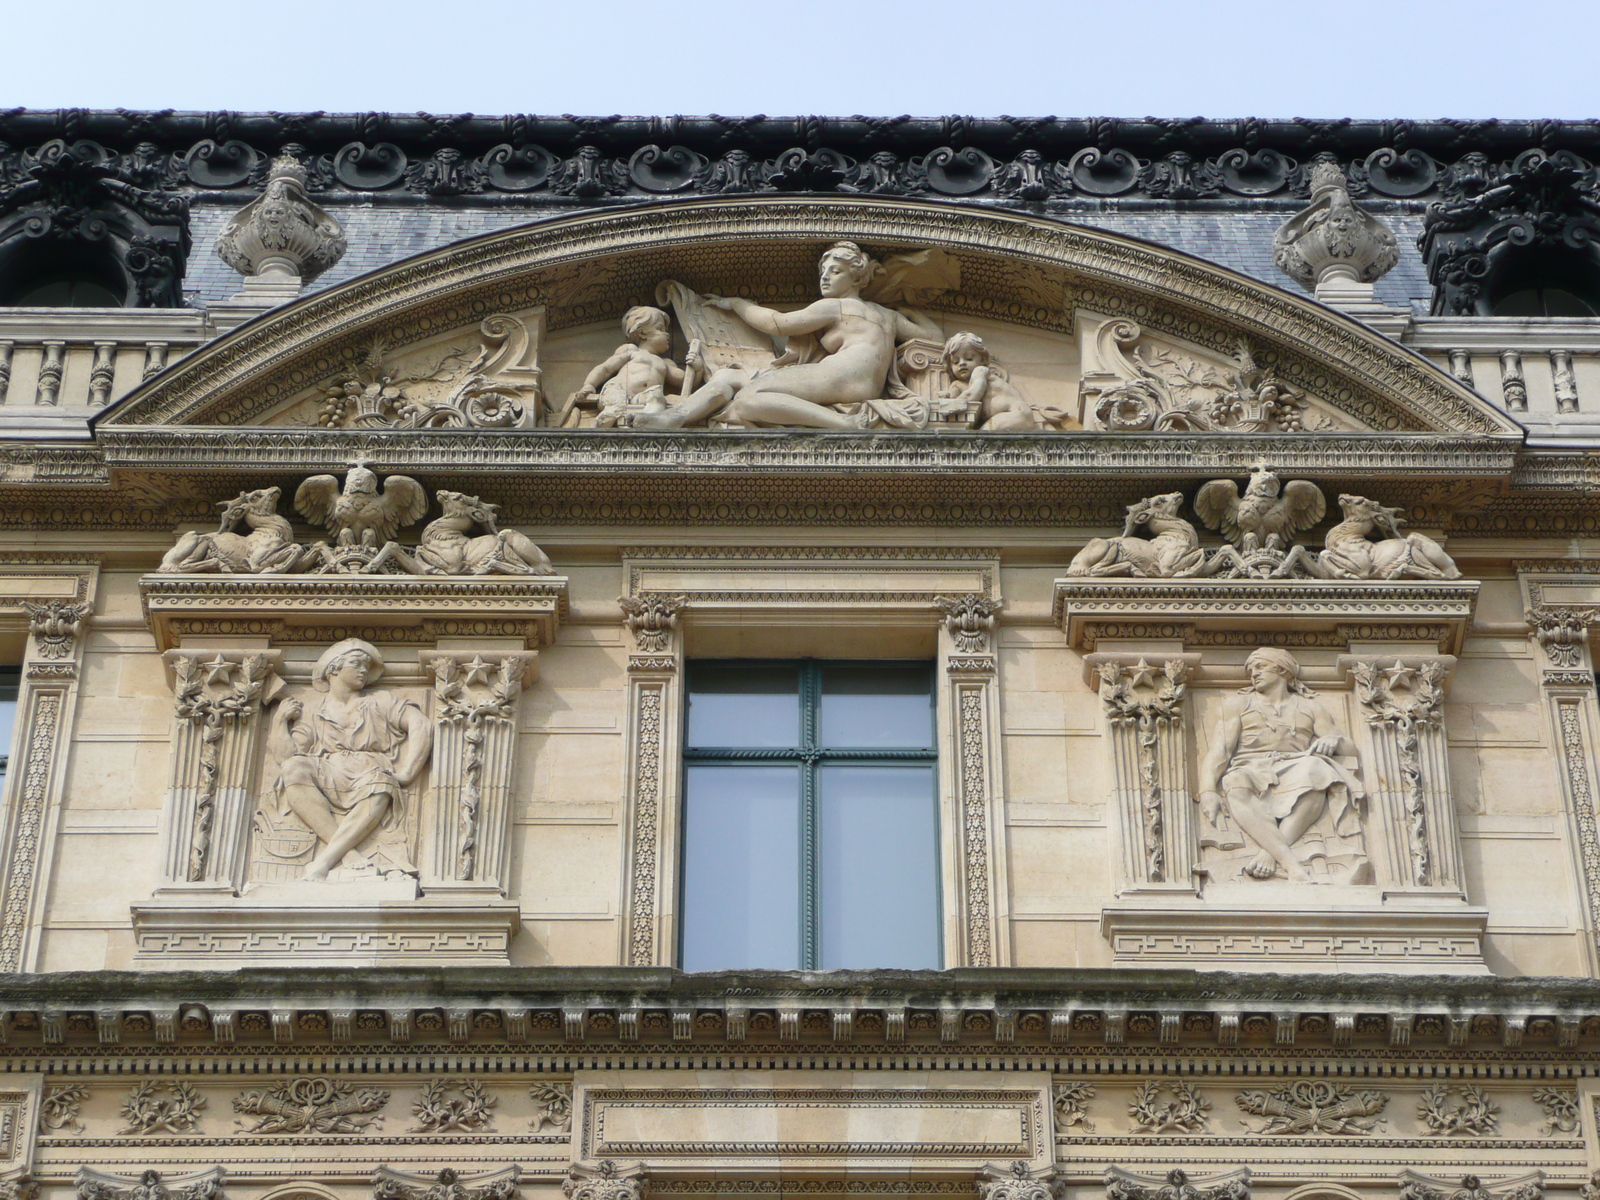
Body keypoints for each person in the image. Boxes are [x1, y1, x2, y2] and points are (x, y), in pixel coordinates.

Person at [632, 241, 943, 430]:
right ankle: (677, 416)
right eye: (823, 272)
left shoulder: (836, 306)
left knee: (749, 398)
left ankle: (846, 424)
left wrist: (737, 304)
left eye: (835, 271)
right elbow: (934, 336)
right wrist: (908, 312)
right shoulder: (888, 316)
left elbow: (778, 324)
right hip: (856, 382)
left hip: (838, 377)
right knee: (731, 376)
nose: (825, 278)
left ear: (858, 276)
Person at [1197, 647, 1365, 883]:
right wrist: (1207, 791)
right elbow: (1219, 752)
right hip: (1252, 767)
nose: (1253, 674)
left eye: (1260, 667)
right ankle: (1292, 866)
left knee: (1318, 770)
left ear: (1282, 670)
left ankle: (1269, 854)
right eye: (1250, 670)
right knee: (1233, 780)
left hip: (1295, 765)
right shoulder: (1239, 705)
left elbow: (1350, 750)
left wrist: (1334, 739)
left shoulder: (1311, 707)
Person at [270, 639, 432, 881]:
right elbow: (286, 758)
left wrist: (407, 772)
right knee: (294, 768)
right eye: (356, 663)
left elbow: (421, 724)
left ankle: (324, 861)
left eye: (366, 666)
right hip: (328, 771)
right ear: (333, 669)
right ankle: (348, 855)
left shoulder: (381, 701)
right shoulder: (314, 709)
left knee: (381, 783)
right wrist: (279, 721)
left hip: (369, 770)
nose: (363, 670)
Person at [561, 306, 700, 428]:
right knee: (616, 408)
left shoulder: (666, 363)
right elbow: (606, 368)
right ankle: (597, 432)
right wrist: (589, 385)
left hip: (642, 397)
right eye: (660, 329)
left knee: (657, 397)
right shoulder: (631, 350)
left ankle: (647, 425)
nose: (667, 334)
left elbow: (686, 381)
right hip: (618, 391)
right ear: (642, 333)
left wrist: (697, 367)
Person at [937, 331, 1079, 431]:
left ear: (983, 360)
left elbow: (973, 393)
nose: (962, 363)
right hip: (1013, 415)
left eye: (969, 358)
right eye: (956, 361)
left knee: (982, 438)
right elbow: (960, 391)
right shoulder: (960, 384)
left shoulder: (980, 372)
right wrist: (949, 395)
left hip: (1017, 413)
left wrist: (950, 405)